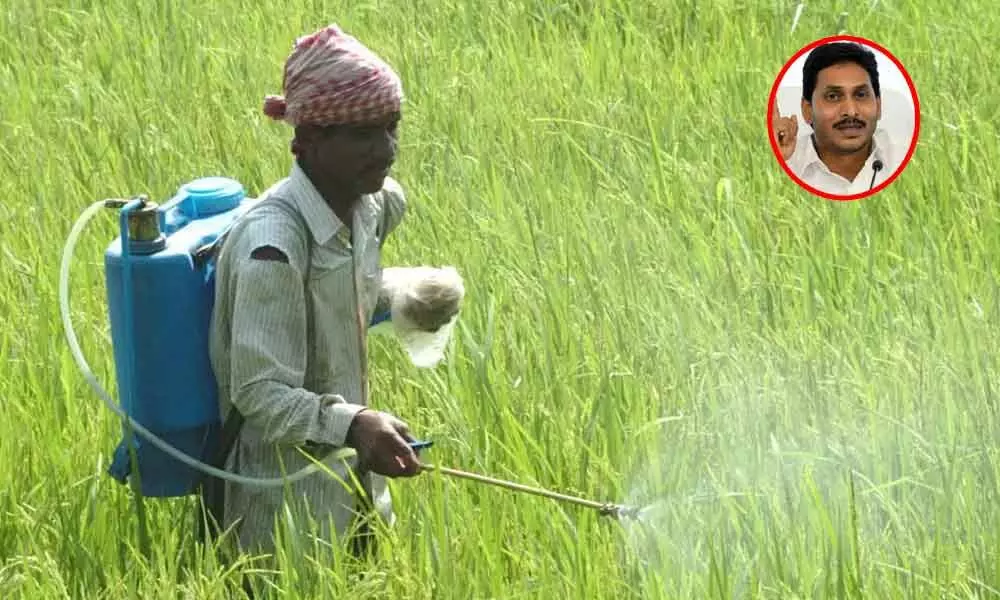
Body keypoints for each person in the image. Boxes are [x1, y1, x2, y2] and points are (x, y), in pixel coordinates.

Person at [204, 23, 439, 562]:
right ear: (307, 140)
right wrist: (355, 424)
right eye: (362, 133)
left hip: (359, 497)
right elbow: (259, 391)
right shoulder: (274, 248)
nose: (386, 150)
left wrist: (407, 295)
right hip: (282, 517)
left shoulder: (374, 205)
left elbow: (345, 289)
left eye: (391, 128)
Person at [773, 41, 909, 196]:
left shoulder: (907, 162)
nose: (851, 111)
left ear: (878, 106)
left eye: (861, 95)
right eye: (833, 96)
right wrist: (777, 163)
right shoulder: (789, 161)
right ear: (807, 110)